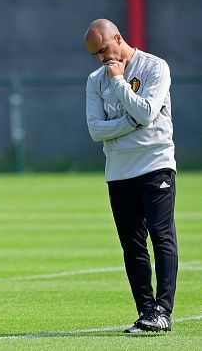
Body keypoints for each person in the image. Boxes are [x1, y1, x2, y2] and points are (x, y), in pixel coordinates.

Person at [84, 19, 178, 333]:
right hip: (119, 171)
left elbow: (148, 113)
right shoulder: (95, 80)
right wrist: (131, 123)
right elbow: (96, 130)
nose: (101, 58)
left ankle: (163, 311)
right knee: (132, 245)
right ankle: (146, 311)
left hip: (155, 164)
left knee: (161, 237)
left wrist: (121, 84)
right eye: (95, 54)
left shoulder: (154, 67)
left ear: (118, 38)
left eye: (103, 49)